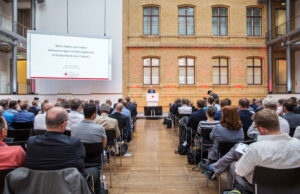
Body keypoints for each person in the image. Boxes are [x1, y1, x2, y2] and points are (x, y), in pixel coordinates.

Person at [233, 109, 300, 192]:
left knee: (233, 166)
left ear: (261, 129)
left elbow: (240, 172)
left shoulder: (255, 148)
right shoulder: (298, 144)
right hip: (293, 189)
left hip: (260, 189)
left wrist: (238, 163)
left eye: (256, 127)